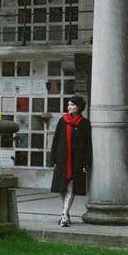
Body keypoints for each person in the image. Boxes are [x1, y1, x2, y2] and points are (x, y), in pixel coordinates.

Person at [49, 95, 92, 227]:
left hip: (76, 160)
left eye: (72, 104)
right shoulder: (62, 121)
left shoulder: (84, 123)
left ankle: (64, 215)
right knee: (62, 188)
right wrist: (53, 159)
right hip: (62, 160)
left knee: (71, 187)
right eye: (68, 104)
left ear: (79, 107)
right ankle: (66, 213)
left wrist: (87, 162)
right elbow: (56, 141)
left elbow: (88, 144)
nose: (69, 107)